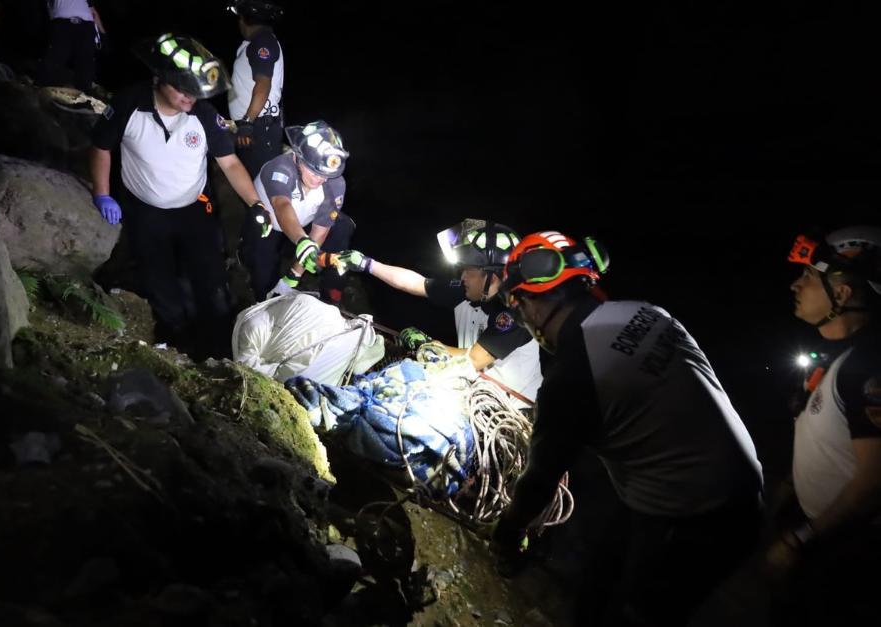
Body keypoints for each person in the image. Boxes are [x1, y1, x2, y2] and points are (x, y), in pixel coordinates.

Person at [491, 230, 763, 627]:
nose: (525, 319)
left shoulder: (573, 373)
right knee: (604, 570)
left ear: (532, 299)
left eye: (519, 306)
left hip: (697, 515)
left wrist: (507, 533)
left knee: (636, 611)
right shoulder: (647, 312)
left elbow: (540, 480)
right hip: (733, 488)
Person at [90, 33, 271, 358]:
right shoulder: (129, 103)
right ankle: (174, 341)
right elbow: (102, 148)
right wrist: (103, 195)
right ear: (159, 79)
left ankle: (218, 348)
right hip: (144, 208)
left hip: (194, 208)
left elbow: (229, 164)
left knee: (209, 276)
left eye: (194, 91)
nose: (190, 97)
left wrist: (256, 204)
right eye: (182, 88)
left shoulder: (203, 115)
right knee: (157, 275)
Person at [765, 226, 881, 626]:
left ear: (844, 294)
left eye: (810, 277)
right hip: (815, 532)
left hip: (841, 551)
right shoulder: (838, 356)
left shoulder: (868, 368)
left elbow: (873, 481)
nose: (797, 284)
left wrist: (802, 538)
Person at [338, 220, 543, 405]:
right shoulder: (468, 291)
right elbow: (416, 283)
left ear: (493, 275)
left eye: (468, 269)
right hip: (473, 390)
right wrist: (368, 264)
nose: (462, 276)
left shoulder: (518, 312)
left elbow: (474, 359)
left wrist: (427, 344)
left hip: (511, 407)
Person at [238, 119, 353, 304]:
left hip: (302, 226)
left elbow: (320, 231)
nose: (320, 179)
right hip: (269, 225)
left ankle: (331, 294)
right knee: (264, 284)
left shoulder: (335, 182)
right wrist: (302, 241)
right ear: (297, 157)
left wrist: (293, 276)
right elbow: (282, 206)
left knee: (342, 226)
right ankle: (246, 251)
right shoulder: (279, 169)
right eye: (314, 171)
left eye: (326, 174)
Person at [226, 0, 285, 179]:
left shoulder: (263, 41)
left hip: (258, 127)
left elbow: (263, 84)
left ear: (244, 20)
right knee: (252, 180)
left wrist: (247, 123)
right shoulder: (251, 44)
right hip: (253, 127)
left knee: (263, 183)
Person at [37, 0, 106, 93]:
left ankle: (85, 97)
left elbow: (93, 11)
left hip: (86, 26)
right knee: (54, 61)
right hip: (63, 24)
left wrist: (103, 34)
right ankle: (43, 93)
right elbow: (49, 10)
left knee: (85, 66)